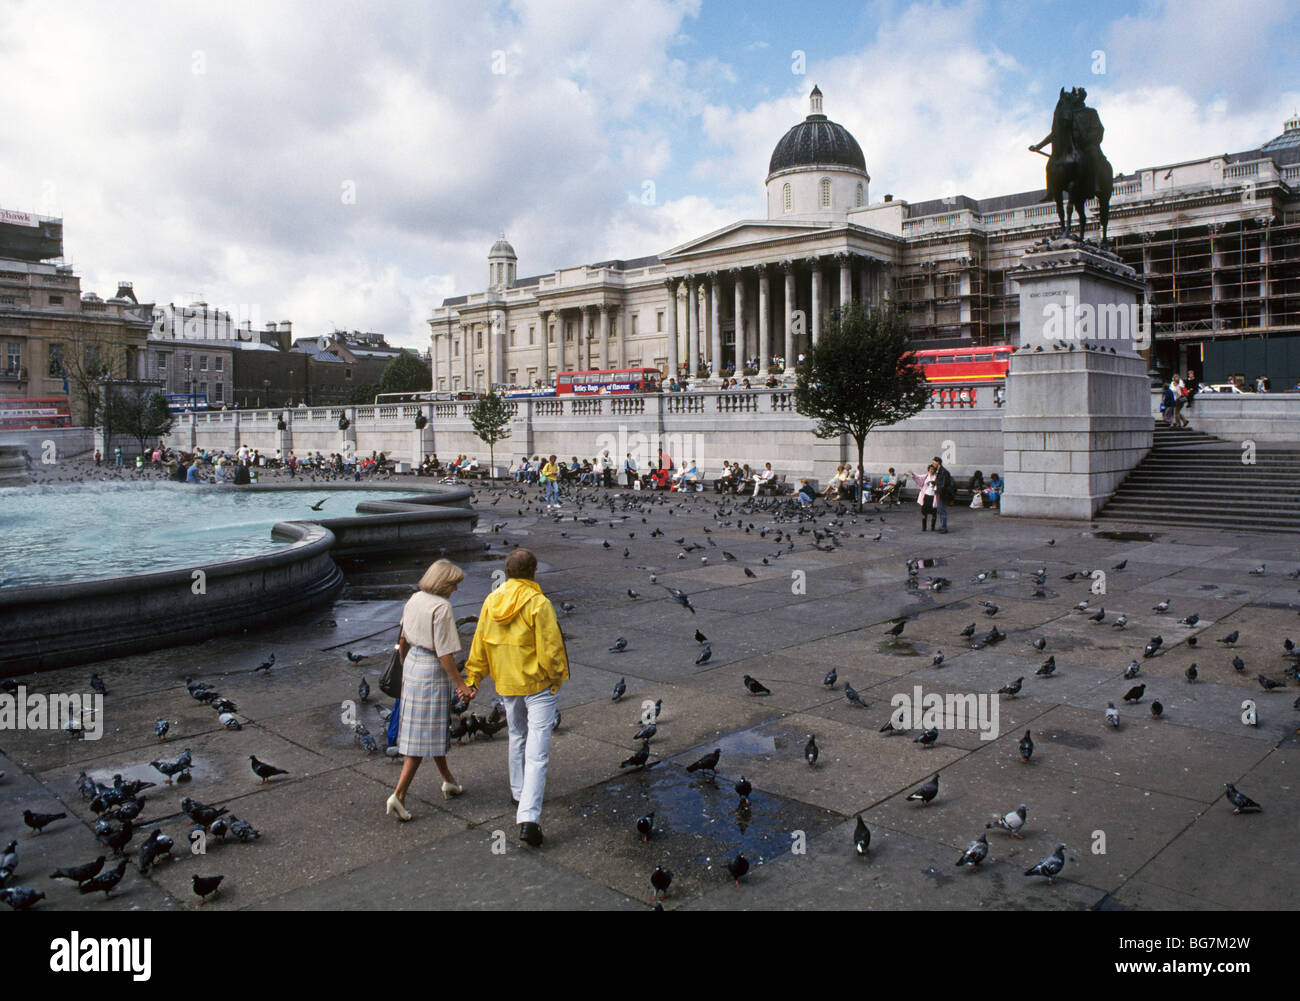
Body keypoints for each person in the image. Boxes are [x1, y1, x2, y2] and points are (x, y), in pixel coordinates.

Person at [463, 548, 569, 848]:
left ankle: (518, 792)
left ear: (507, 572)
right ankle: (529, 818)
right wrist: (557, 676)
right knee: (538, 752)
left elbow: (479, 644)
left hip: (507, 681)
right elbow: (550, 648)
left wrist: (473, 678)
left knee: (516, 736)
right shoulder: (538, 603)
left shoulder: (491, 600)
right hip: (537, 684)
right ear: (533, 572)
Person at [387, 559, 473, 821]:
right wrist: (461, 685)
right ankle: (398, 795)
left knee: (430, 730)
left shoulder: (414, 598)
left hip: (412, 664)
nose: (456, 589)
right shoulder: (442, 607)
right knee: (418, 739)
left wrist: (405, 666)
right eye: (454, 584)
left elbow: (402, 640)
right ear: (444, 583)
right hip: (431, 671)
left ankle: (449, 781)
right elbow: (445, 654)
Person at [907, 462, 939, 532]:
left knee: (934, 512)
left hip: (933, 496)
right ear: (928, 469)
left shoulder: (937, 477)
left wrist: (935, 486)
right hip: (926, 496)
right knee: (924, 512)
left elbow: (939, 485)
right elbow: (918, 477)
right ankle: (924, 527)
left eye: (933, 469)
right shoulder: (926, 476)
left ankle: (932, 527)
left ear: (935, 470)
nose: (931, 470)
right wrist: (913, 474)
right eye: (930, 469)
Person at [932, 456, 954, 533]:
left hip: (942, 493)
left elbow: (944, 484)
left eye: (934, 462)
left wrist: (938, 489)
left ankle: (944, 527)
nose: (933, 464)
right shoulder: (939, 471)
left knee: (942, 510)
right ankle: (942, 525)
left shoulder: (944, 472)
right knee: (940, 510)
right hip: (939, 492)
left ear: (938, 462)